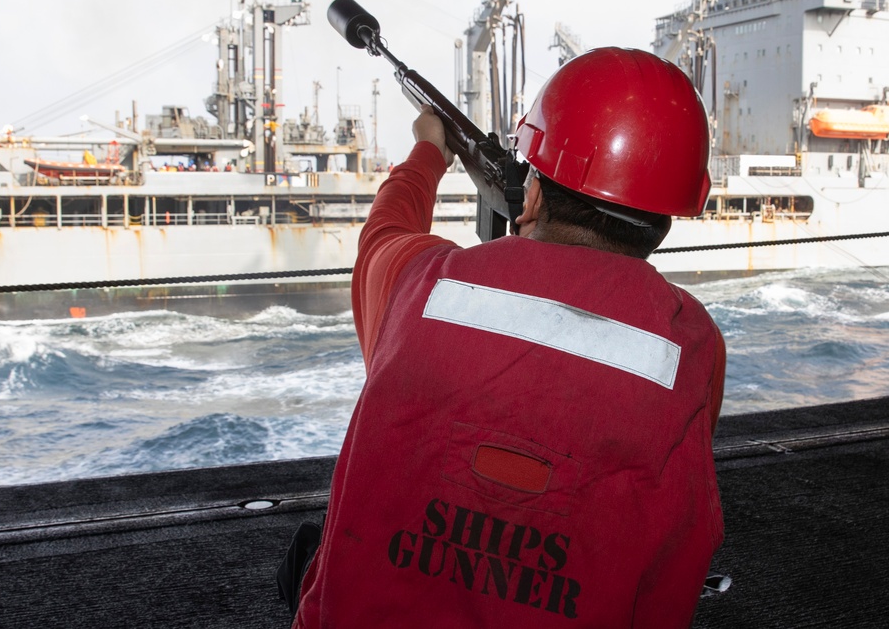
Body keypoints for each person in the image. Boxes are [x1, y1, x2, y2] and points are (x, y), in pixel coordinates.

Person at [283, 47, 726, 628]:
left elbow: (384, 233)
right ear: (668, 216)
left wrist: (428, 149)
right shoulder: (693, 347)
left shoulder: (421, 283)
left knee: (307, 553)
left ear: (534, 196)